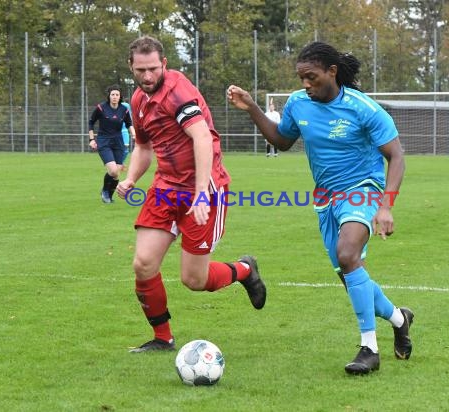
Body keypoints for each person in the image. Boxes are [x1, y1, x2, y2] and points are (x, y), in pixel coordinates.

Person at [227, 41, 413, 375]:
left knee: (347, 254)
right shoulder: (298, 103)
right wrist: (253, 107)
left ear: (332, 71)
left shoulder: (363, 108)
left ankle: (369, 349)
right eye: (302, 78)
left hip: (362, 191)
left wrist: (386, 206)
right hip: (325, 200)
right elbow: (282, 142)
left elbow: (396, 156)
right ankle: (400, 319)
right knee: (351, 274)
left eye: (312, 77)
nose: (306, 85)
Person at [116, 35, 266, 353]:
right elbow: (143, 147)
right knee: (143, 263)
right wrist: (130, 178)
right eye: (140, 69)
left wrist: (200, 194)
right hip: (166, 188)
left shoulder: (178, 92)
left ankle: (244, 269)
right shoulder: (139, 101)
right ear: (131, 66)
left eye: (153, 68)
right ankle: (163, 338)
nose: (147, 76)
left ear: (164, 65)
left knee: (194, 280)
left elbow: (200, 137)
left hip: (205, 188)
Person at [89, 85, 136, 203]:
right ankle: (105, 191)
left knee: (116, 174)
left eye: (117, 95)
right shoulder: (101, 108)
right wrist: (92, 139)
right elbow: (91, 123)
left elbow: (129, 123)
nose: (114, 97)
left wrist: (135, 135)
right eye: (112, 95)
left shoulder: (124, 109)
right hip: (104, 141)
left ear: (120, 97)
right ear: (109, 96)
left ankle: (109, 196)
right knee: (113, 171)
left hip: (118, 142)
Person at [121, 99, 134, 164]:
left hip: (124, 131)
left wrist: (133, 133)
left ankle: (121, 162)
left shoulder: (126, 106)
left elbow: (130, 122)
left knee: (125, 150)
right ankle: (117, 163)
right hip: (116, 132)